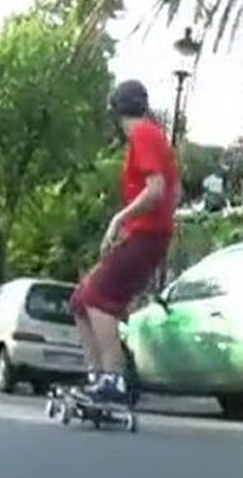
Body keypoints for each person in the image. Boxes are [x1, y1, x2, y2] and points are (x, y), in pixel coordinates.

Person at [69, 80, 180, 404]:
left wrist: (120, 219)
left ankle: (113, 380)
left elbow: (157, 189)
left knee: (97, 299)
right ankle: (97, 376)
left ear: (115, 113)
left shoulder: (144, 135)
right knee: (79, 301)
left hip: (147, 234)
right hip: (147, 234)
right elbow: (175, 192)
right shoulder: (156, 137)